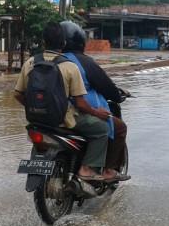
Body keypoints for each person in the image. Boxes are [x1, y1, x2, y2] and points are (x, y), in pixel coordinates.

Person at [14, 22, 113, 181]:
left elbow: (18, 94)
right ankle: (87, 169)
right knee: (102, 129)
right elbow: (81, 104)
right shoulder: (69, 66)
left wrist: (35, 107)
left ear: (44, 42)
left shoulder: (30, 63)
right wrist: (97, 112)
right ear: (63, 44)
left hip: (36, 121)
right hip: (63, 120)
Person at [60, 21, 131, 182]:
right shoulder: (83, 62)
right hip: (77, 113)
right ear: (80, 42)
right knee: (118, 128)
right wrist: (117, 96)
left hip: (49, 115)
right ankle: (106, 170)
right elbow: (104, 86)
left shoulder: (45, 60)